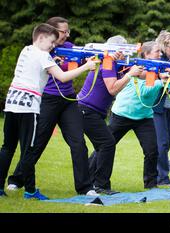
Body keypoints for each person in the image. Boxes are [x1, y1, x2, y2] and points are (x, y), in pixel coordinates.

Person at [0, 23, 98, 199]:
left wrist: (56, 62)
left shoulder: (26, 50)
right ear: (42, 37)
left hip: (12, 104)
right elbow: (62, 76)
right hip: (29, 107)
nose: (53, 45)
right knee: (30, 149)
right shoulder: (44, 55)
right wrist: (86, 67)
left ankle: (1, 187)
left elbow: (39, 69)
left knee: (7, 147)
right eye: (52, 41)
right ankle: (30, 191)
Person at [89, 41, 170, 189]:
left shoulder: (158, 69)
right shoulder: (136, 70)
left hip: (144, 116)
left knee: (152, 150)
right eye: (157, 51)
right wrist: (162, 81)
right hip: (123, 113)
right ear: (146, 54)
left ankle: (151, 184)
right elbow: (146, 92)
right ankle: (88, 175)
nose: (160, 54)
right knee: (105, 146)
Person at [78, 35, 142, 195]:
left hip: (90, 111)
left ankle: (92, 182)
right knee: (107, 144)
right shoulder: (108, 62)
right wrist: (129, 75)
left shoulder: (112, 63)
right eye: (123, 51)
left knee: (104, 145)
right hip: (87, 110)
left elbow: (138, 74)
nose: (124, 55)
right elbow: (112, 88)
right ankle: (100, 185)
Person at [153, 31, 170, 187]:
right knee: (161, 143)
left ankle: (160, 175)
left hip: (166, 107)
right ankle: (161, 178)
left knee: (165, 143)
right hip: (157, 107)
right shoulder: (160, 61)